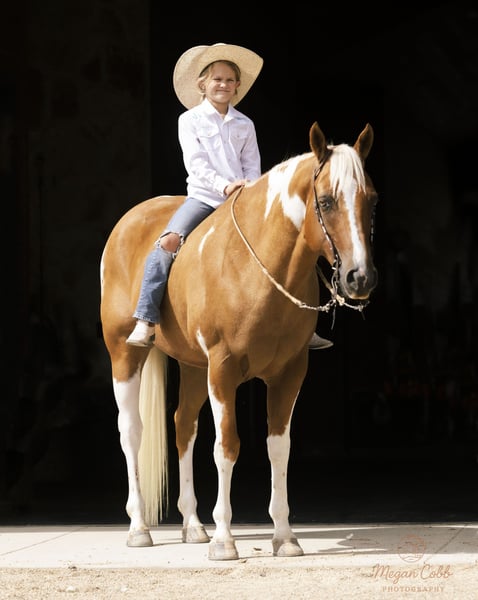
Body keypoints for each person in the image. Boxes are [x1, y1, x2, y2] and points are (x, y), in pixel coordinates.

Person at [126, 43, 332, 351]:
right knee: (167, 243)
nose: (223, 85)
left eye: (229, 80)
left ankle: (304, 324)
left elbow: (252, 165)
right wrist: (224, 186)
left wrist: (250, 189)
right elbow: (196, 163)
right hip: (204, 198)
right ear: (203, 84)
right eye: (217, 79)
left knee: (293, 243)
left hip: (243, 200)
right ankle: (145, 318)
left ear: (237, 86)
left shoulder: (244, 124)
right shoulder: (190, 120)